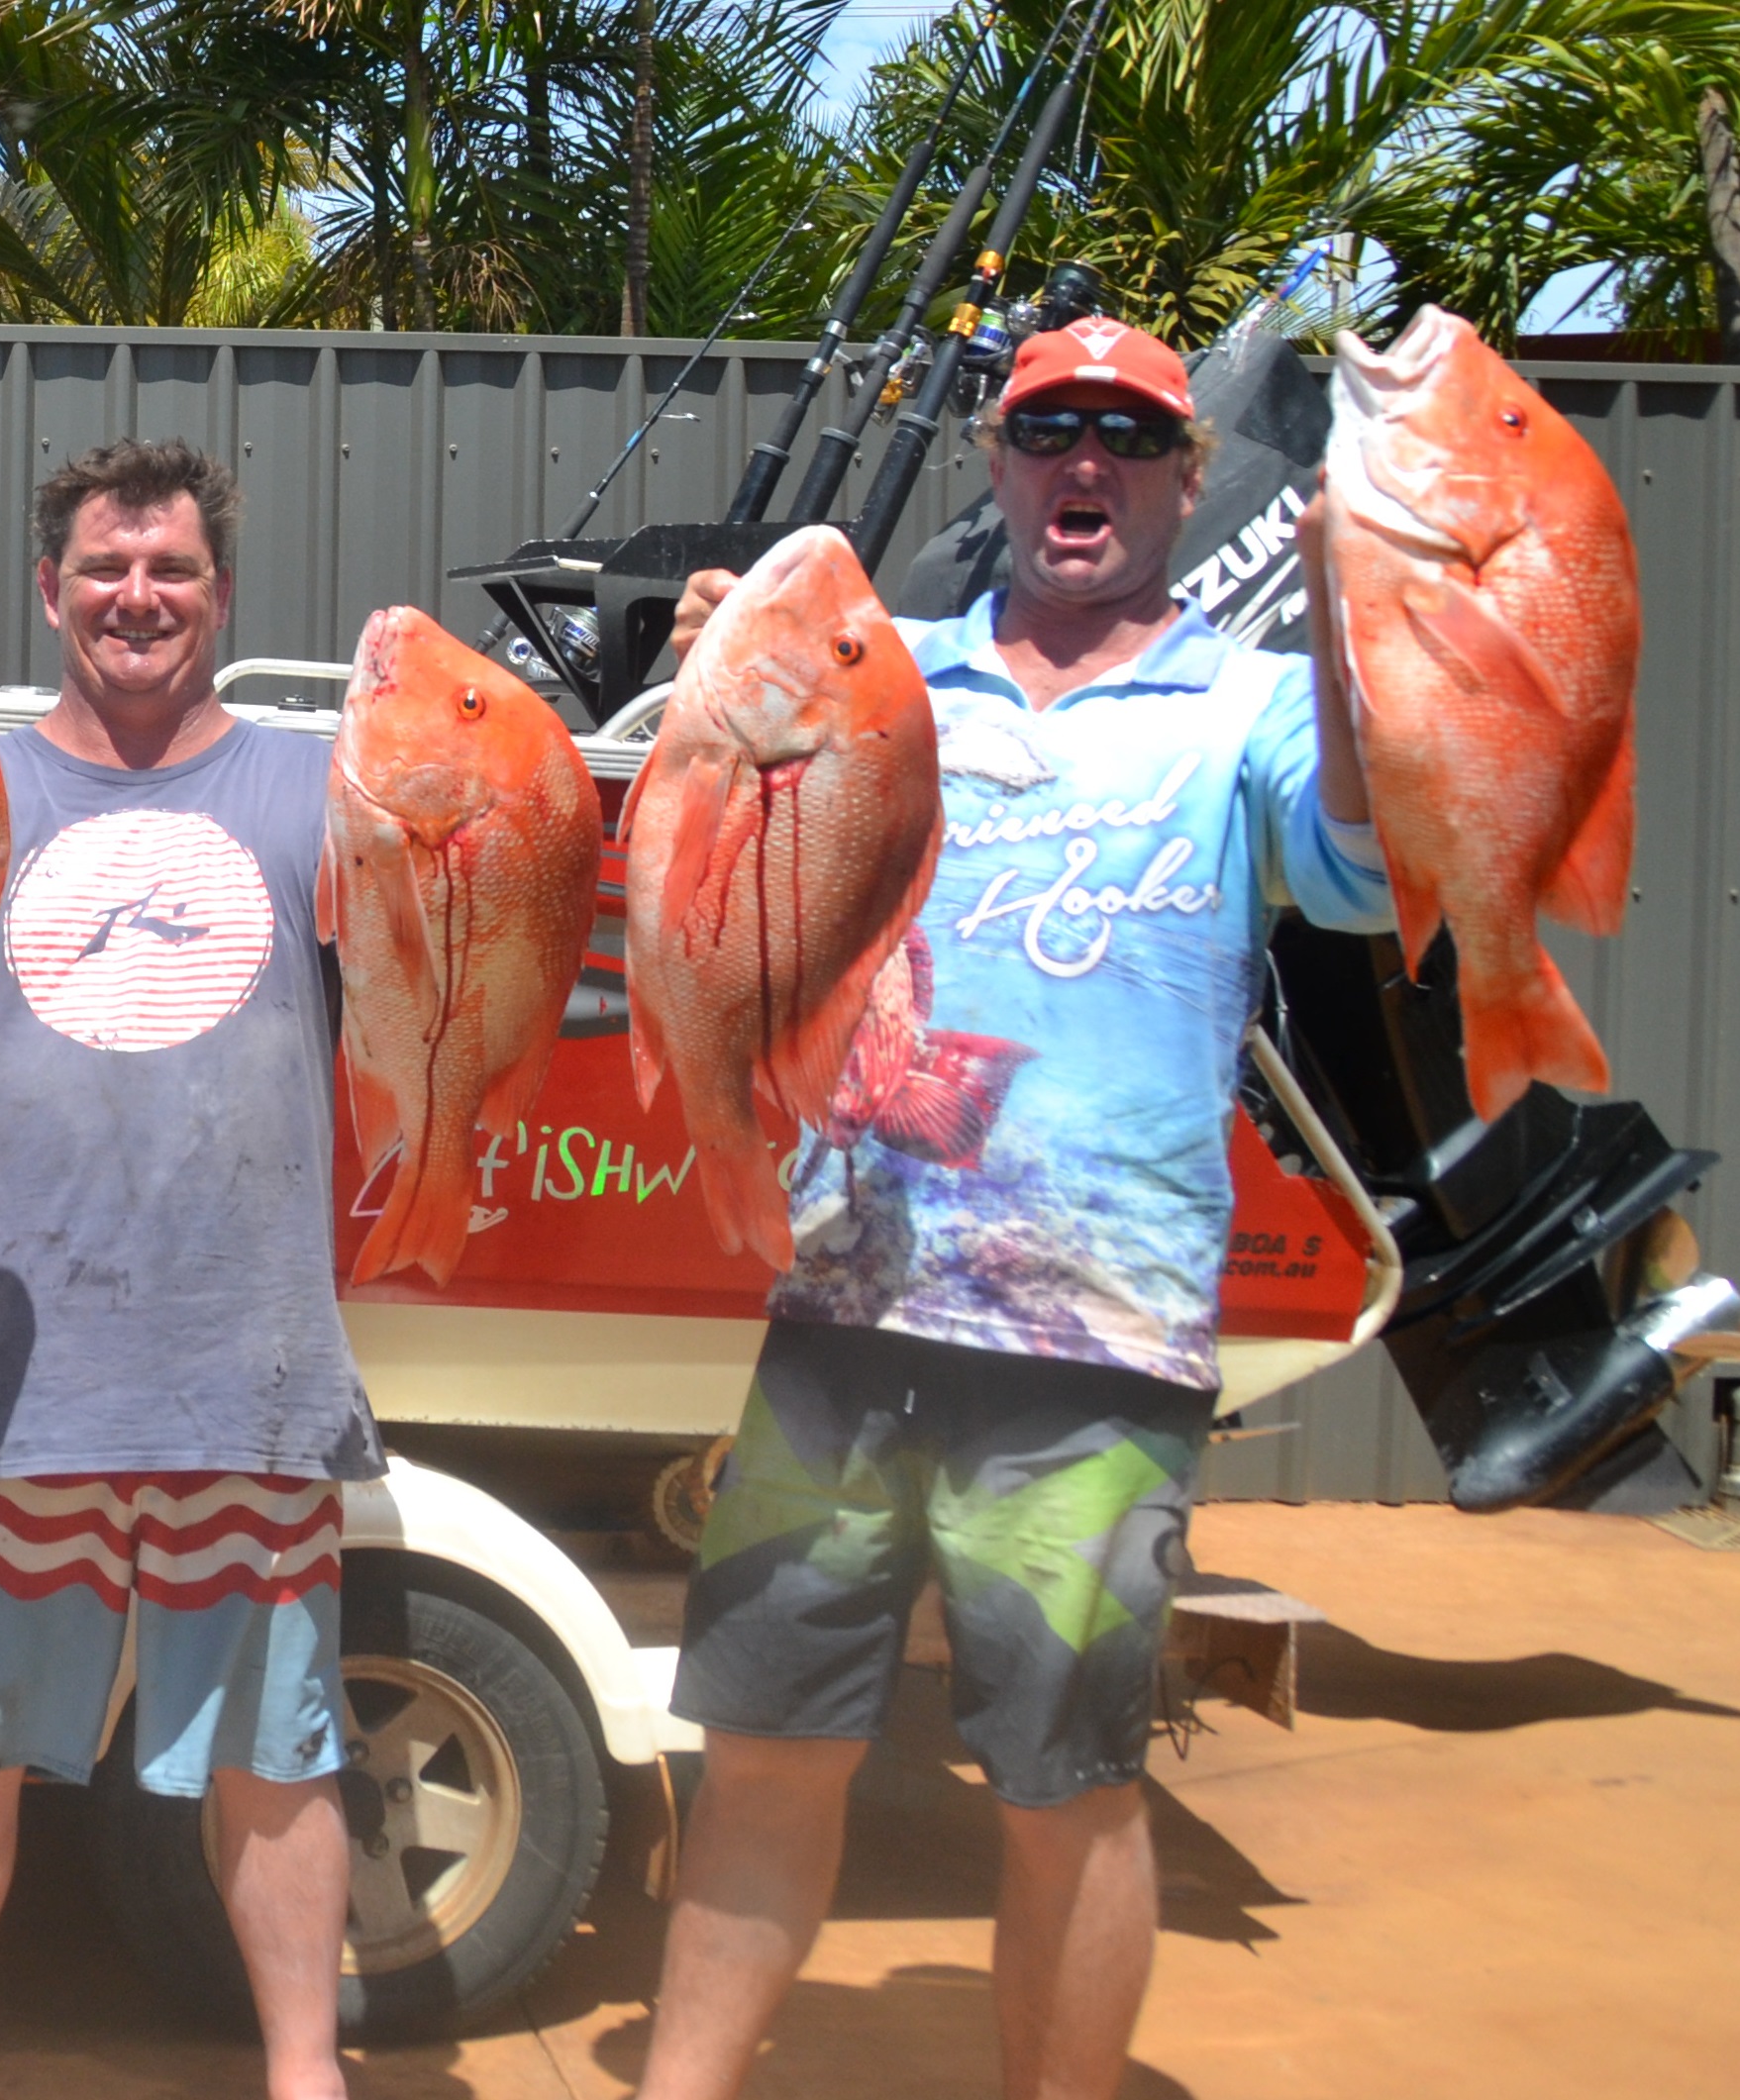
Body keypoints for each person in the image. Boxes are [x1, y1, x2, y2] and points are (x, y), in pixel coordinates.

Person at [637, 318, 1390, 2100]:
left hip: (1097, 1346)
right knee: (759, 1750)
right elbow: (701, 838)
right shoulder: (880, 673)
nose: (1084, 466)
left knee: (1065, 1783)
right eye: (1048, 428)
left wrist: (1346, 617)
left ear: (1183, 478)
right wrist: (704, 663)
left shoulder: (1248, 703)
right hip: (839, 1314)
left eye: (1127, 439)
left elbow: (1357, 876)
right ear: (997, 458)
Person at [0, 439, 378, 2100]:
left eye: (168, 568)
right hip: (13, 1366)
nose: (136, 597)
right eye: (103, 569)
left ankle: (305, 2070)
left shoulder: (319, 785)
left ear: (220, 594)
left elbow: (504, 855)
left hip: (248, 1361)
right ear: (50, 594)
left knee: (275, 1748)